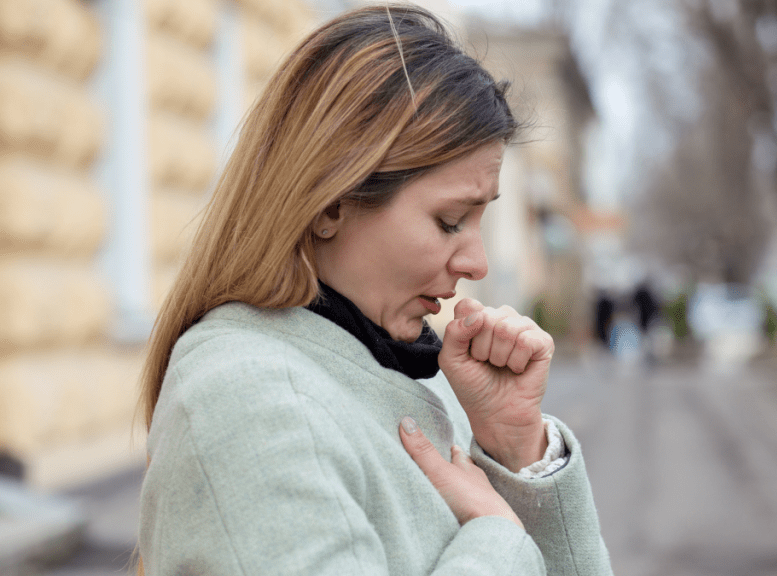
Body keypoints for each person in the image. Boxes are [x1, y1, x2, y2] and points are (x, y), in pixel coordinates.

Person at [135, 5, 612, 575]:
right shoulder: (249, 402)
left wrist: (516, 449)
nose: (478, 263)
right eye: (450, 220)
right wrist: (497, 538)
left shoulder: (414, 382)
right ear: (331, 203)